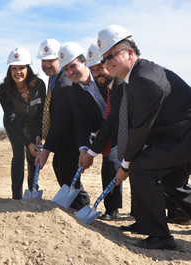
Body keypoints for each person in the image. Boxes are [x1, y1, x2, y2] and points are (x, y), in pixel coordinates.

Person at [97, 24, 191, 249]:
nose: (107, 61)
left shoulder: (144, 79)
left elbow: (140, 128)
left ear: (130, 53)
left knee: (141, 167)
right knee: (172, 181)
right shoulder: (136, 75)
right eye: (104, 58)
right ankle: (152, 228)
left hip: (183, 135)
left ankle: (160, 237)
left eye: (112, 55)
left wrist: (126, 164)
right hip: (176, 135)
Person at [34, 39, 88, 209]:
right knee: (61, 169)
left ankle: (81, 205)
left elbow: (60, 120)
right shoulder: (54, 81)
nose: (47, 64)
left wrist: (47, 150)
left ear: (60, 60)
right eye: (44, 61)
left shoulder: (64, 83)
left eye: (51, 60)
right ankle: (75, 206)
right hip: (62, 139)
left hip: (71, 138)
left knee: (68, 172)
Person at [79, 43, 124, 220]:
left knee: (121, 165)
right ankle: (114, 209)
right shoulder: (103, 81)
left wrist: (91, 152)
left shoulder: (119, 82)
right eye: (93, 69)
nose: (97, 72)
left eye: (100, 67)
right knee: (110, 164)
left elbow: (115, 117)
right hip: (110, 129)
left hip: (135, 132)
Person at [0, 47, 45, 199]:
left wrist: (38, 135)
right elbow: (11, 117)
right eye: (14, 68)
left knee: (32, 156)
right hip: (14, 125)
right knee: (18, 156)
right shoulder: (3, 90)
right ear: (9, 70)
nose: (18, 72)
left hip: (32, 122)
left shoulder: (39, 86)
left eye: (21, 68)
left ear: (28, 68)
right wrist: (27, 143)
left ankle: (32, 190)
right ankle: (16, 196)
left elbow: (40, 113)